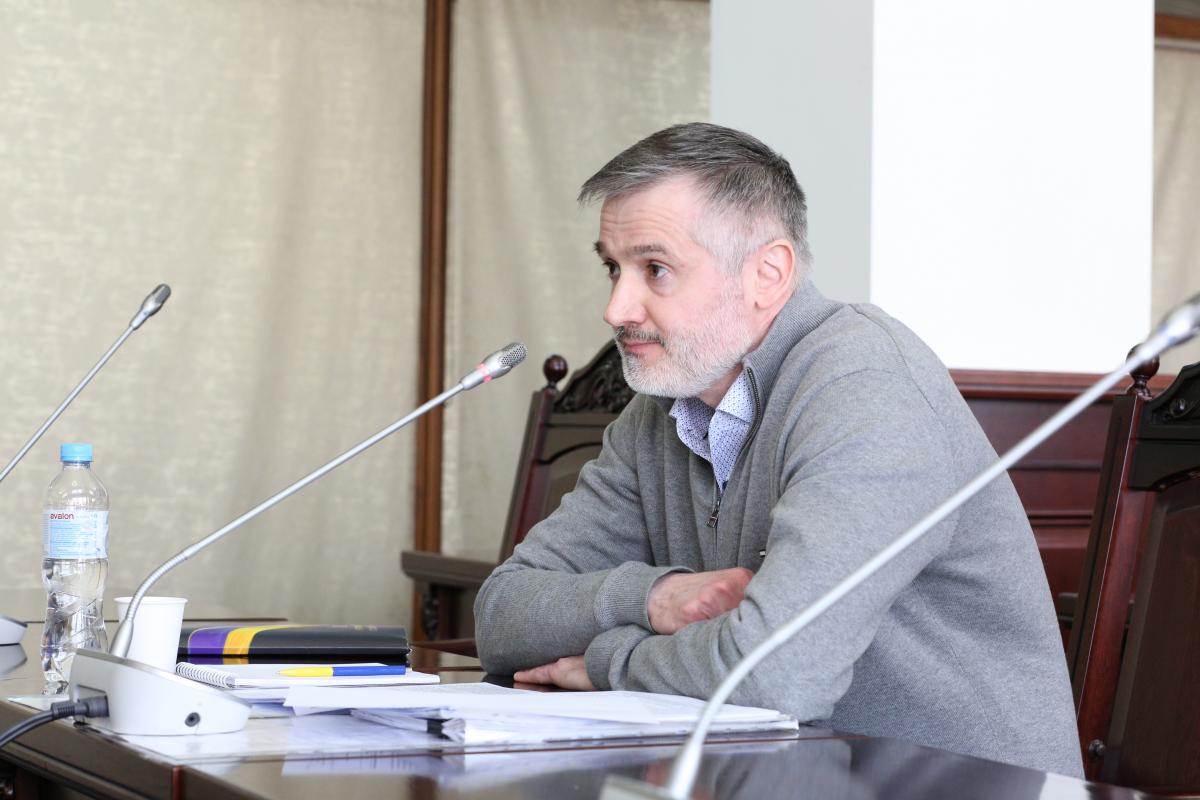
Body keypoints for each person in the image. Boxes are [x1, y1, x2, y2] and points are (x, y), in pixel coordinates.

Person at [473, 122, 1083, 777]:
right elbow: (501, 616)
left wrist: (607, 662)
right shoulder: (658, 411)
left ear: (768, 273)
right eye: (612, 269)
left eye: (655, 269)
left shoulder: (866, 385)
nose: (617, 308)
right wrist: (654, 599)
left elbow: (777, 675)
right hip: (782, 775)